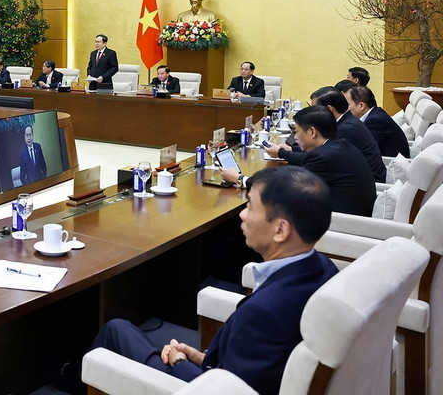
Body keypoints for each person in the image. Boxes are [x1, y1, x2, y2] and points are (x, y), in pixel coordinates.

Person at [72, 168, 337, 395]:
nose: (242, 215)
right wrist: (202, 358)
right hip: (224, 372)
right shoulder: (324, 268)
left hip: (200, 386)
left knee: (115, 330)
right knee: (119, 329)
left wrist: (179, 362)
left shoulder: (264, 313)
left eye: (250, 207)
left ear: (280, 230)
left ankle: (83, 380)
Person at [246, 106, 376, 216]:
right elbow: (307, 159)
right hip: (354, 212)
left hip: (340, 223)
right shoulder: (340, 145)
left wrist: (242, 179)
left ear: (312, 132)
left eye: (296, 132)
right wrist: (286, 152)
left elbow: (287, 189)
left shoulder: (322, 157)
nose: (295, 137)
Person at [277, 88, 386, 184]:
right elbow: (318, 153)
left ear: (329, 110)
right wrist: (291, 148)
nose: (311, 112)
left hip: (369, 183)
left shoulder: (344, 129)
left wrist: (282, 153)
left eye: (314, 109)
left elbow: (317, 158)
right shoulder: (346, 121)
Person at [345, 85, 410, 158]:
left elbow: (362, 148)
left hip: (389, 164)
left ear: (361, 106)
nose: (345, 109)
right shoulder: (375, 113)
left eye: (348, 105)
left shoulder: (375, 120)